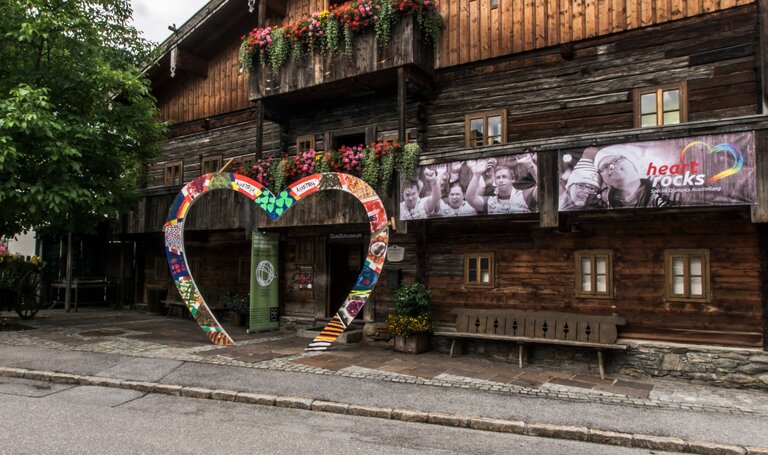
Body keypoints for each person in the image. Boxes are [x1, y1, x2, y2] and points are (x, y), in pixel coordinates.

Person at [594, 144, 674, 208]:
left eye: (616, 160)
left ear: (632, 161)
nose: (611, 167)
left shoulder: (666, 190)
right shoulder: (601, 204)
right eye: (605, 167)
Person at [466, 155, 537, 214]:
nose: (501, 180)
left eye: (504, 177)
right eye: (498, 177)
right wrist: (477, 174)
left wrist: (531, 165)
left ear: (512, 179)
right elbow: (470, 198)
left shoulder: (524, 196)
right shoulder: (490, 202)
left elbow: (543, 188)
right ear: (494, 181)